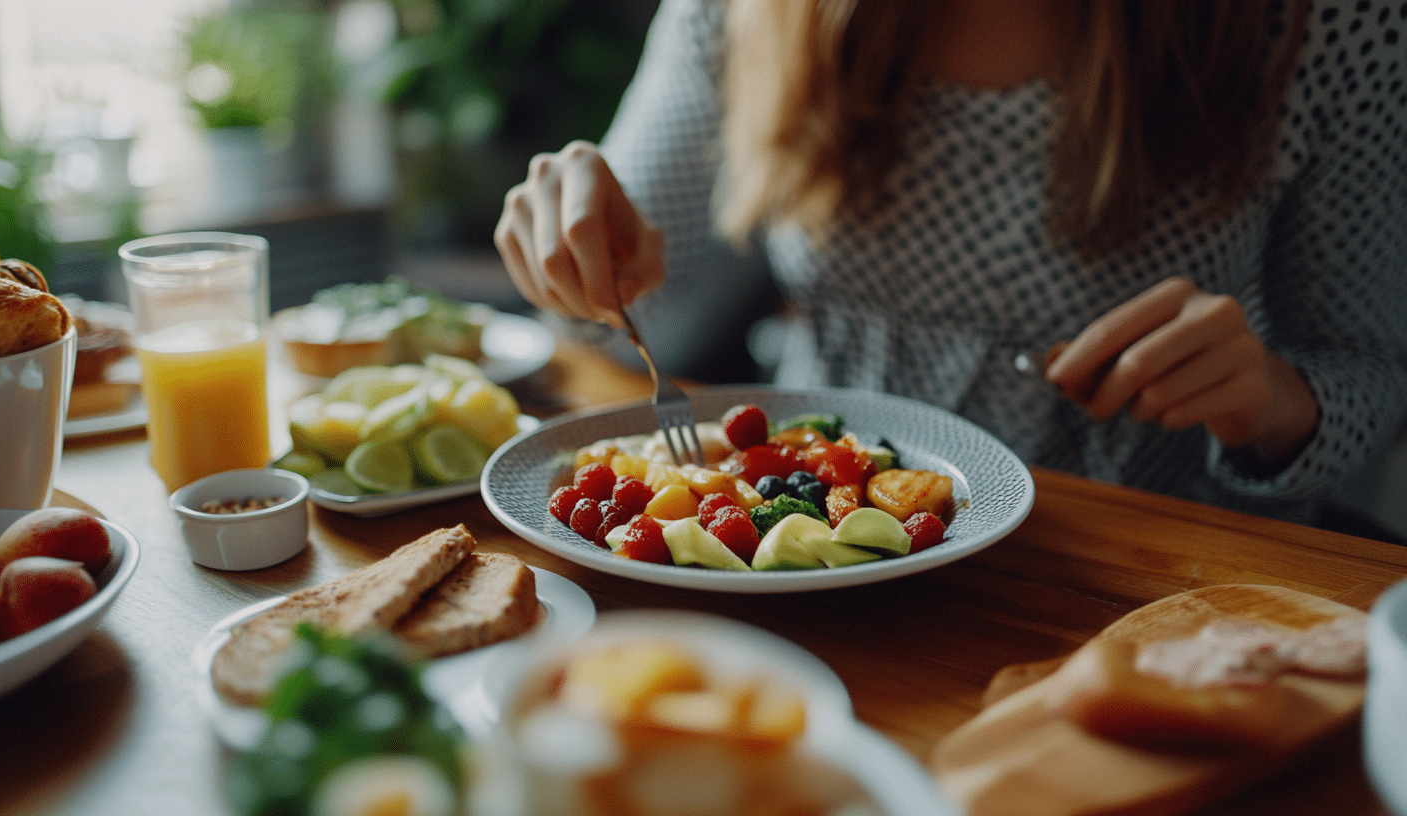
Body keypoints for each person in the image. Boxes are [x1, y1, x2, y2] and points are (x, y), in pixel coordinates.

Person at [493, 0, 1407, 526]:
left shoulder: (1325, 25)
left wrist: (1279, 403)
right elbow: (617, 325)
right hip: (809, 557)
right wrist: (576, 259)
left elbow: (1375, 373)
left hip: (1163, 573)